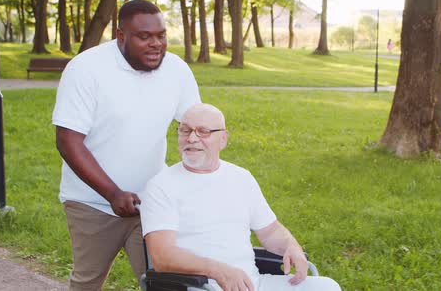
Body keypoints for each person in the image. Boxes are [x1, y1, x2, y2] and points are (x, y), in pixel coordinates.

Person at [52, 0, 201, 290]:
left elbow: (195, 124)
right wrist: (112, 193)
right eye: (144, 37)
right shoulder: (86, 69)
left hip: (150, 201)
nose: (155, 44)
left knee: (164, 281)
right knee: (87, 281)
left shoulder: (176, 69)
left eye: (160, 35)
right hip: (91, 203)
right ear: (121, 36)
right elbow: (68, 140)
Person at [141, 104, 341, 291]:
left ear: (223, 139)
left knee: (327, 287)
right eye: (185, 130)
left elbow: (270, 232)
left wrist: (292, 246)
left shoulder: (241, 177)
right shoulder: (161, 186)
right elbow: (162, 257)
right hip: (199, 286)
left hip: (251, 284)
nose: (192, 138)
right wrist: (217, 270)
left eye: (203, 131)